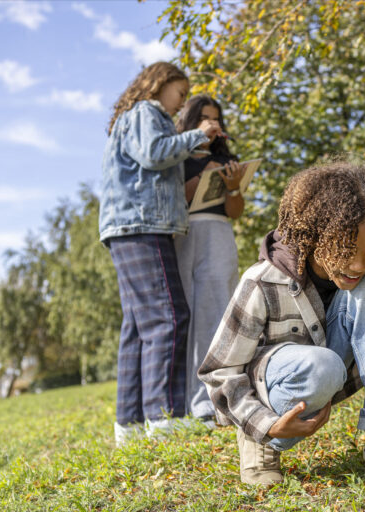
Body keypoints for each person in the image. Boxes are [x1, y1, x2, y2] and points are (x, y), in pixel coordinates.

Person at [198, 160, 365, 489]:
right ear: (313, 235)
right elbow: (219, 372)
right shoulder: (262, 282)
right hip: (275, 401)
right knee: (323, 366)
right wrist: (267, 426)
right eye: (346, 249)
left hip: (329, 372)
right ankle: (259, 447)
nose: (358, 264)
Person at [99, 61, 223, 446]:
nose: (180, 103)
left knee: (138, 327)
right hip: (143, 226)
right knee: (169, 317)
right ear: (160, 83)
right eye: (180, 94)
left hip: (128, 228)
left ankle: (130, 424)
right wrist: (194, 136)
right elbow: (154, 153)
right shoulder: (147, 112)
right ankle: (163, 417)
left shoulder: (132, 116)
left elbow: (152, 159)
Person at [174, 96, 246, 424]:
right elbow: (178, 197)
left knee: (219, 312)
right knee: (188, 311)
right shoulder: (177, 154)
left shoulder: (226, 158)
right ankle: (191, 399)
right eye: (204, 118)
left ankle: (220, 397)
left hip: (218, 236)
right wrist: (205, 171)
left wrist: (232, 187)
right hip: (185, 236)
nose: (211, 124)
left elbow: (235, 211)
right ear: (190, 121)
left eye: (216, 118)